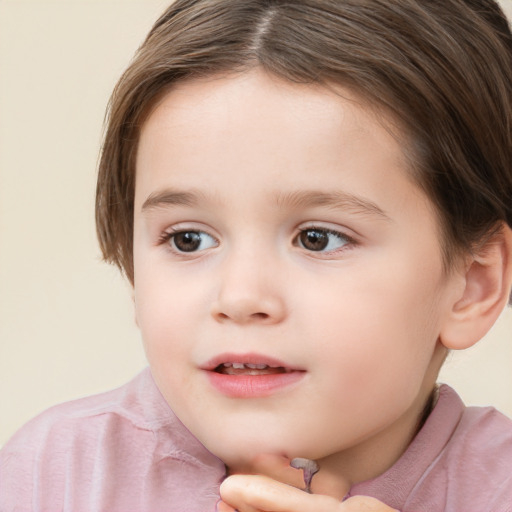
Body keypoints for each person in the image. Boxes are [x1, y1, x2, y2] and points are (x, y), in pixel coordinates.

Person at [1, 0, 512, 510]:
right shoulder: (57, 476)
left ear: (473, 284)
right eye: (189, 239)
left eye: (317, 238)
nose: (240, 297)